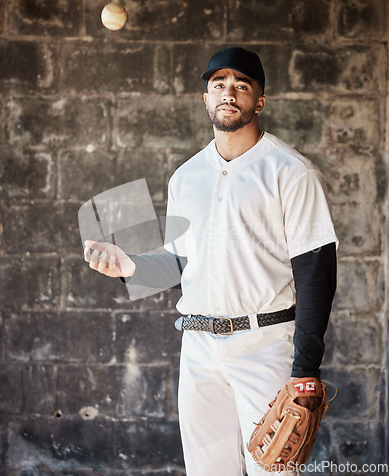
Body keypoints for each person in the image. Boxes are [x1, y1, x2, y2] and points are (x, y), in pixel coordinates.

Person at [84, 47, 338, 476]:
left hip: (266, 345)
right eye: (218, 84)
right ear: (205, 98)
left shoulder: (291, 171)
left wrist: (306, 369)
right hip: (199, 348)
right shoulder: (185, 177)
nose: (228, 92)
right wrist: (130, 266)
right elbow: (183, 263)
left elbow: (316, 273)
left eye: (242, 85)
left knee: (273, 471)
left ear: (259, 100)